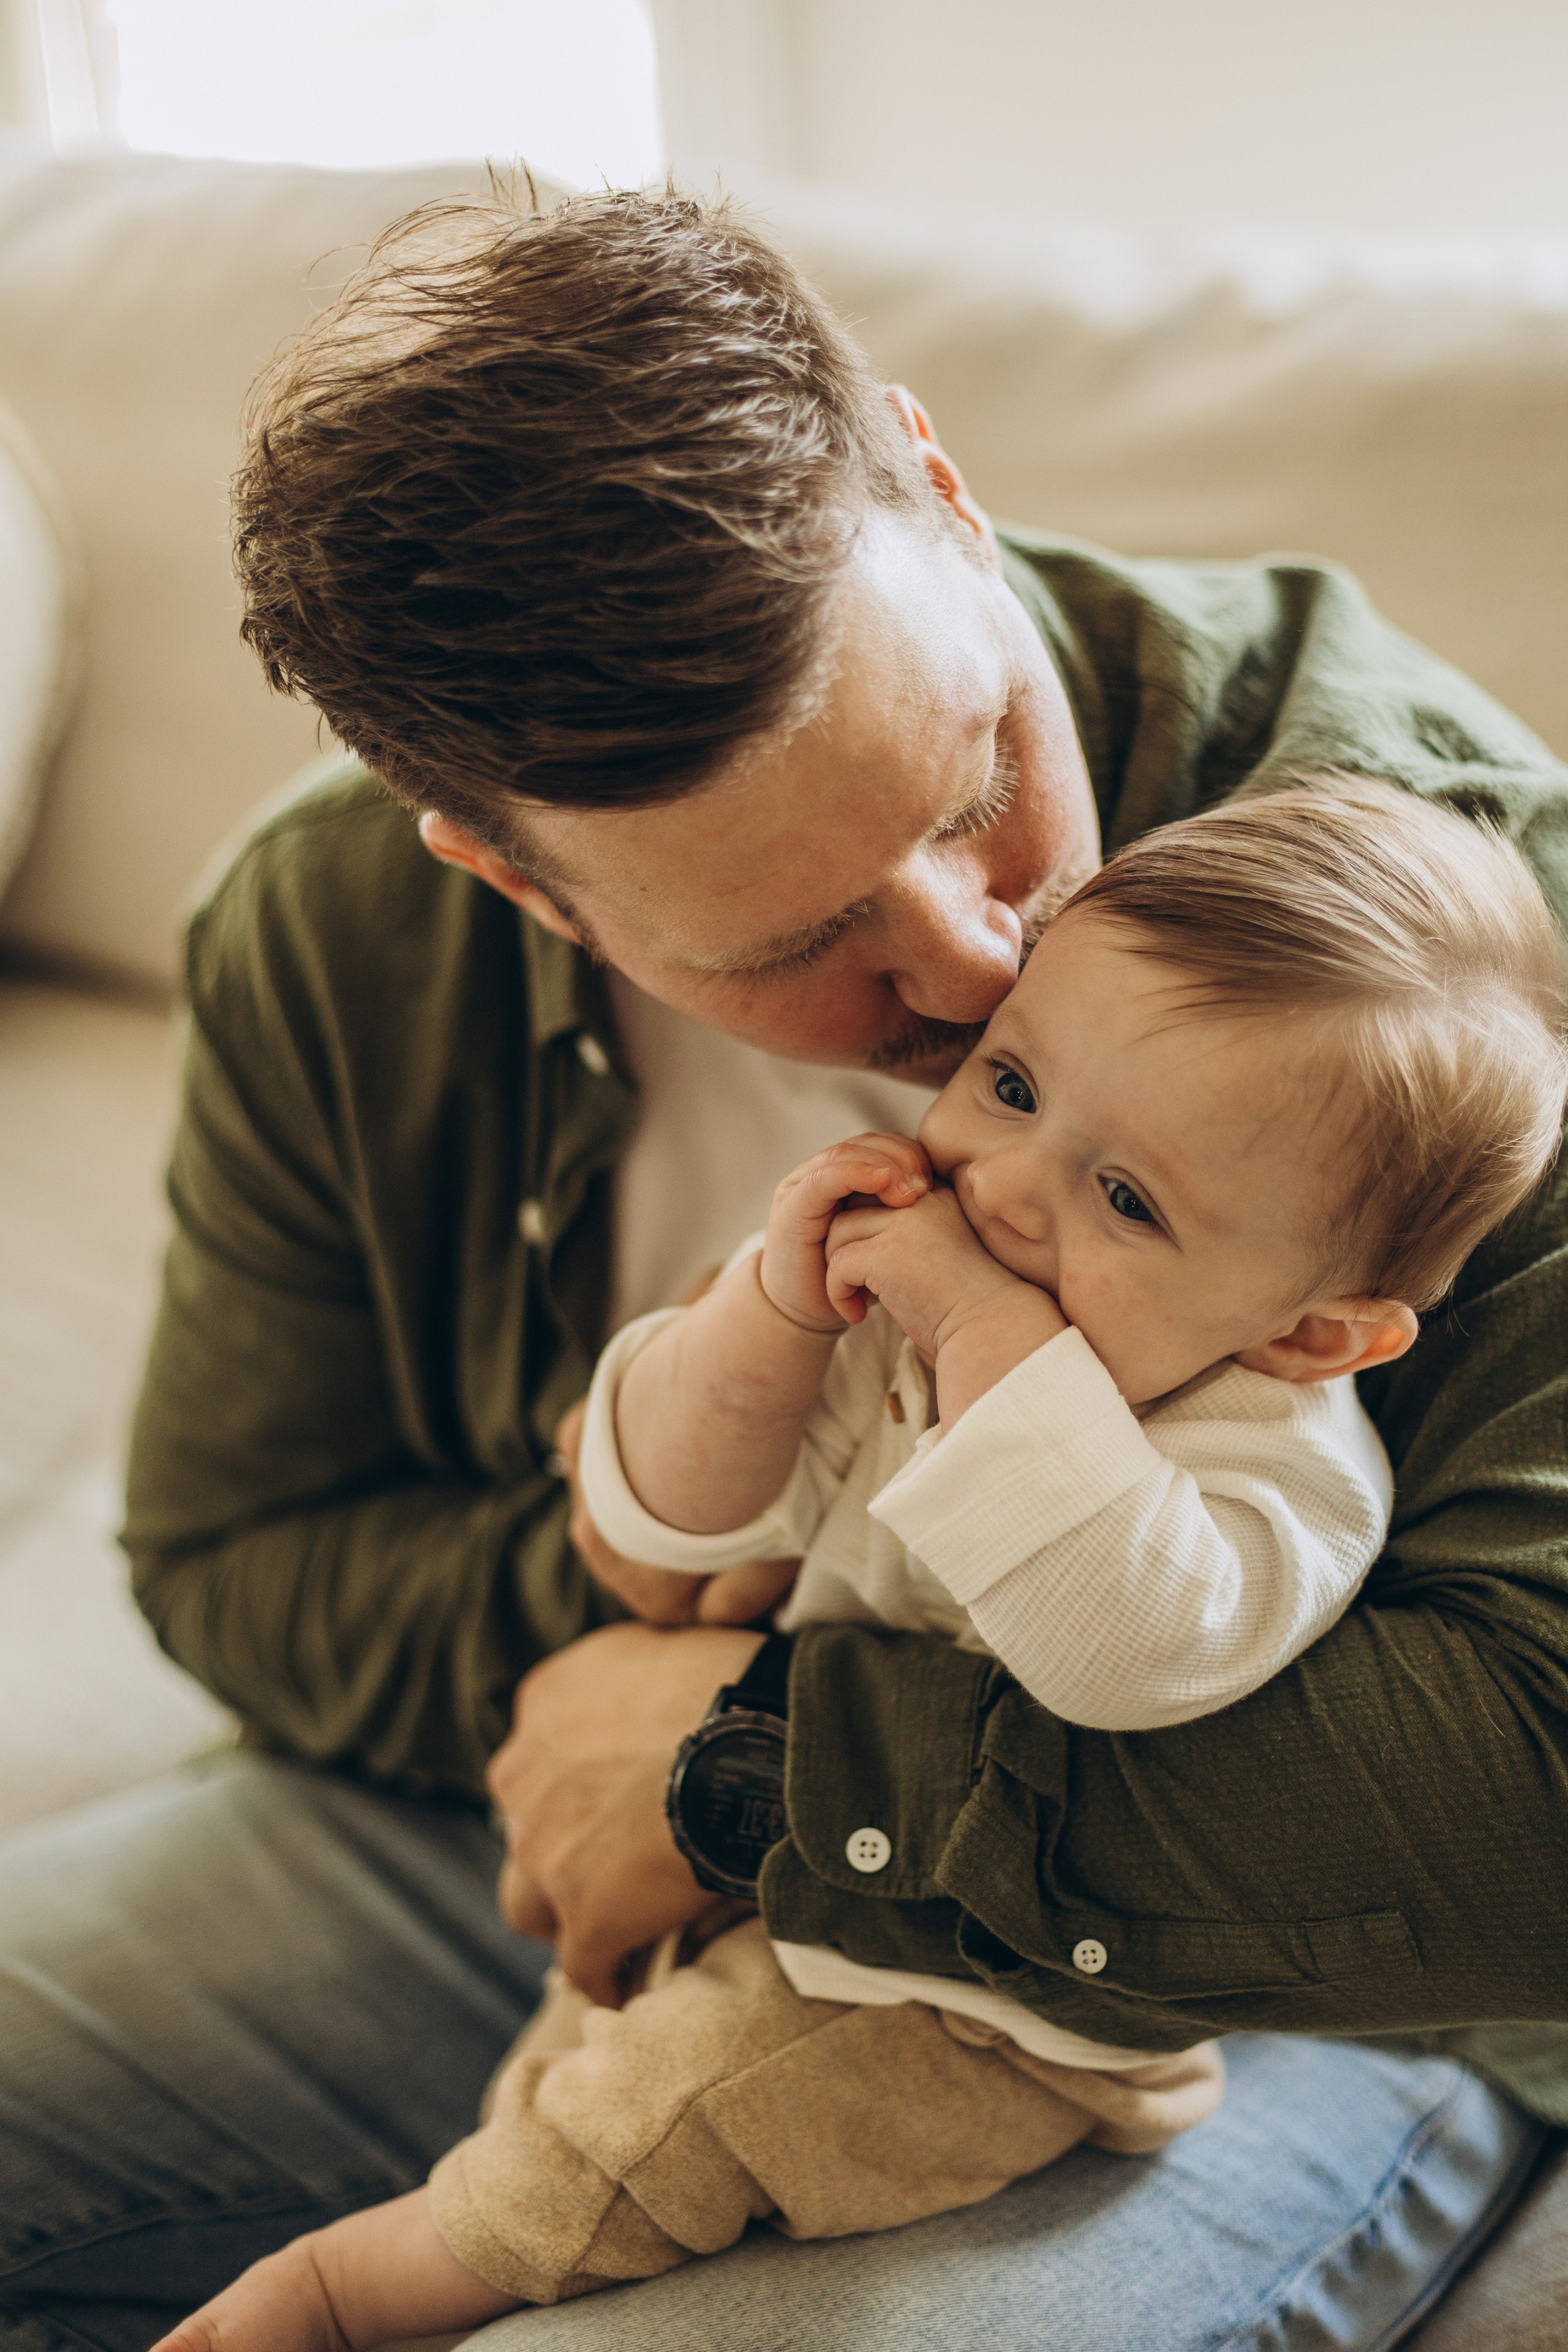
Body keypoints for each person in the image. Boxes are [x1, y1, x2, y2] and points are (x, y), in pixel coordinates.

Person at [4, 184, 1568, 2351]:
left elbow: (1527, 1799)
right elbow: (238, 1558)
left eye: (982, 775)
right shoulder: (333, 935)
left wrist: (758, 1760)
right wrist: (643, 1632)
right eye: (801, 944)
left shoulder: (1452, 957)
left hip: (1222, 1991)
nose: (984, 958)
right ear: (510, 880)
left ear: (937, 484)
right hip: (531, 1856)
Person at [147, 788, 1565, 2346]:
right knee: (566, 2107)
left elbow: (1121, 1651)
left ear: (1310, 1333)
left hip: (991, 2010)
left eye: (1126, 1200)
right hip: (763, 1910)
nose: (1005, 1187)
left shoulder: (1271, 1462)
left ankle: (333, 2299)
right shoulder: (931, 1313)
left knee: (618, 2145)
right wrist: (765, 1319)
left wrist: (980, 1336)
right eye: (1010, 1084)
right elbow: (663, 1521)